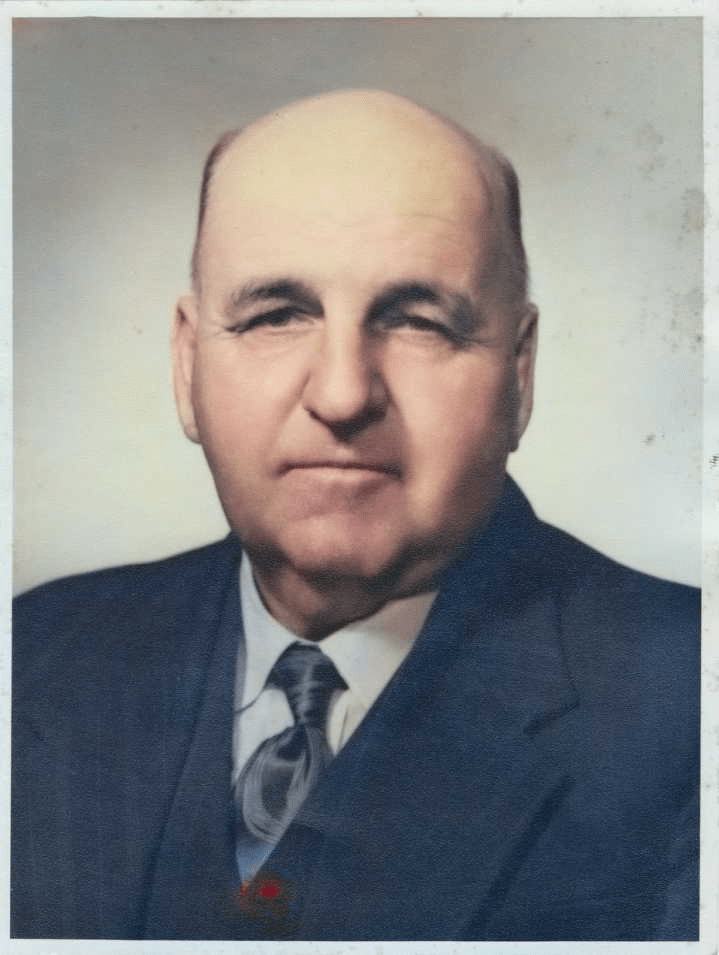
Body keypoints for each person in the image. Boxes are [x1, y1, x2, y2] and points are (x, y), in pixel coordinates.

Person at [11, 89, 699, 941]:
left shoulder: (687, 699)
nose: (341, 395)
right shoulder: (33, 654)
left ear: (518, 375)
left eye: (416, 321)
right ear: (187, 365)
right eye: (276, 315)